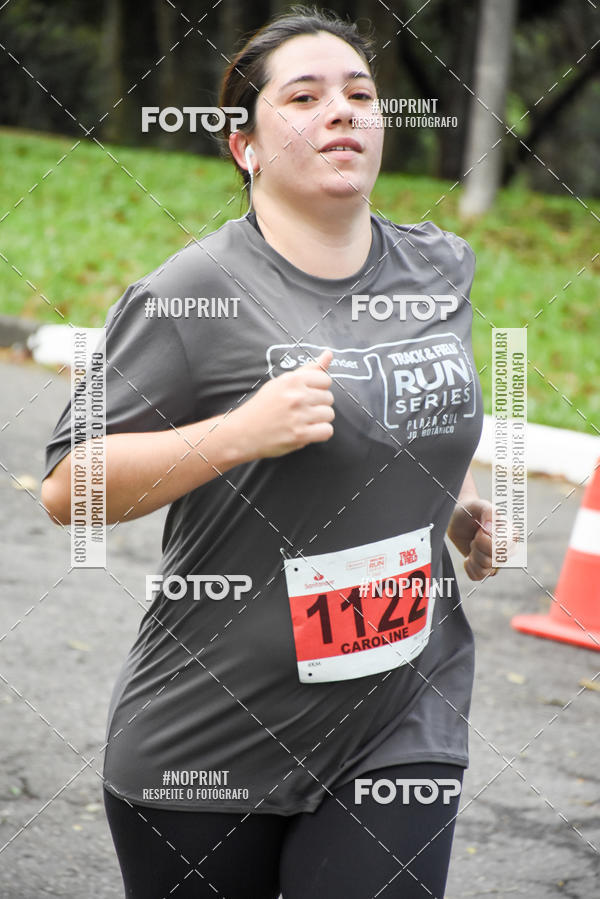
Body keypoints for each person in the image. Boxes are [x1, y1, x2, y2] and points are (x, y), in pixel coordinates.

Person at [42, 6, 497, 898]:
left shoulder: (439, 267)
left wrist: (454, 501)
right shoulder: (192, 293)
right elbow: (67, 489)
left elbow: (409, 417)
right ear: (243, 146)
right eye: (305, 96)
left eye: (361, 94)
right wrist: (240, 432)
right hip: (212, 734)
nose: (344, 111)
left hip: (401, 710)